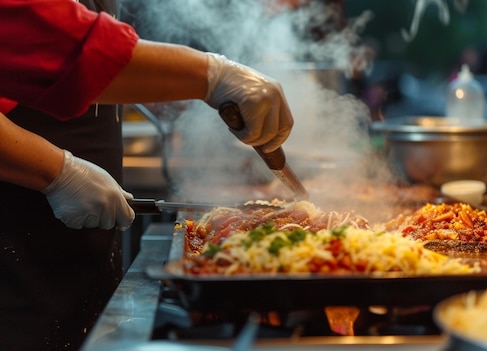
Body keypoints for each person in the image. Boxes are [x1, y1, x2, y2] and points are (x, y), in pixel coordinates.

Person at [0, 1, 294, 350]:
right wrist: (56, 171)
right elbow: (55, 46)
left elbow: (79, 54)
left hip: (73, 258)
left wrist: (164, 91)